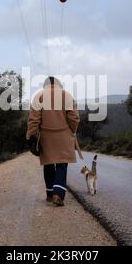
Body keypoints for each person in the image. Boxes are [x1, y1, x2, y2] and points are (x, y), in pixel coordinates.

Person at [26, 76, 81, 207]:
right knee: (62, 164)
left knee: (48, 164)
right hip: (64, 135)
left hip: (46, 137)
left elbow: (33, 120)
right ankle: (58, 194)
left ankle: (50, 194)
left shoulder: (39, 96)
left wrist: (31, 136)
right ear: (59, 84)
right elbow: (74, 117)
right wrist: (71, 130)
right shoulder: (66, 95)